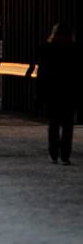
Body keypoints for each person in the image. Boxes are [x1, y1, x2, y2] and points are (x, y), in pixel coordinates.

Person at [36, 22, 78, 165]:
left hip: (52, 92)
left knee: (53, 124)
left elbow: (41, 74)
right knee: (68, 124)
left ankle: (53, 153)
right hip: (69, 92)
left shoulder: (47, 49)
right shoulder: (74, 50)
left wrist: (40, 95)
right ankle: (65, 155)